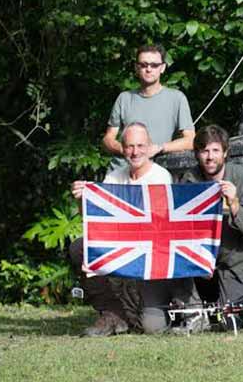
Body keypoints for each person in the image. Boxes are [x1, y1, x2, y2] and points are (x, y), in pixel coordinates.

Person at [69, 123, 186, 336]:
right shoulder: (114, 177)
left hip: (150, 249)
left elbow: (158, 228)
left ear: (149, 147)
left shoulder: (160, 177)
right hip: (119, 241)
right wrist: (82, 199)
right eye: (130, 146)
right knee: (81, 248)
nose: (135, 151)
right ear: (122, 149)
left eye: (140, 145)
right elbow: (96, 220)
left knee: (149, 326)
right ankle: (111, 312)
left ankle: (136, 312)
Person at [177, 125, 243, 306]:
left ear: (225, 153)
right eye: (205, 151)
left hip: (236, 261)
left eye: (216, 150)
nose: (210, 157)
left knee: (231, 317)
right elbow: (182, 230)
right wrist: (200, 261)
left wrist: (234, 203)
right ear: (197, 154)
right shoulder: (190, 180)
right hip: (202, 259)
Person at [102, 43, 194, 163]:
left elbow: (191, 140)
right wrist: (126, 150)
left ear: (163, 68)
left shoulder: (177, 98)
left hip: (157, 171)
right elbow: (108, 139)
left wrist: (159, 148)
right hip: (122, 170)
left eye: (154, 65)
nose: (149, 69)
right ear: (136, 67)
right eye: (144, 65)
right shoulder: (124, 98)